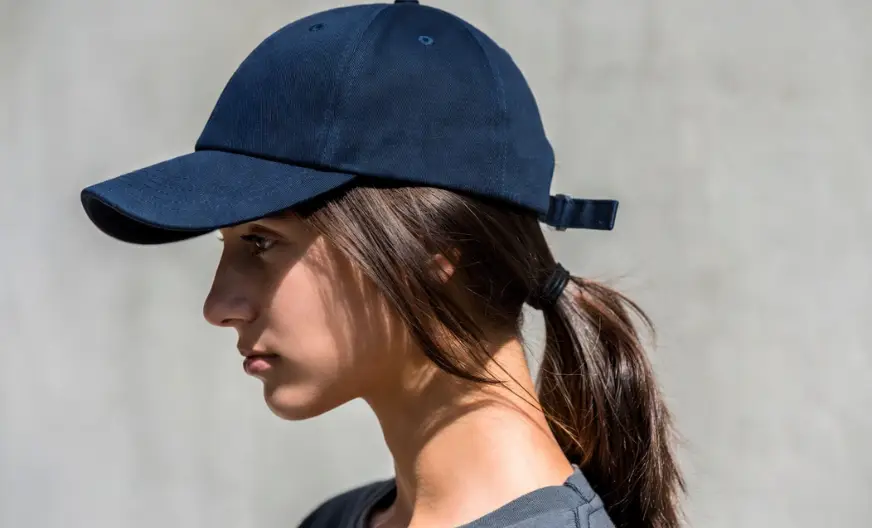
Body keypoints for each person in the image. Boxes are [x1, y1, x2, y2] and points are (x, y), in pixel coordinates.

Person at [79, 1, 685, 526]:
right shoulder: (337, 519)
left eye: (260, 242)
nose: (218, 307)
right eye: (226, 244)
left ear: (433, 251)